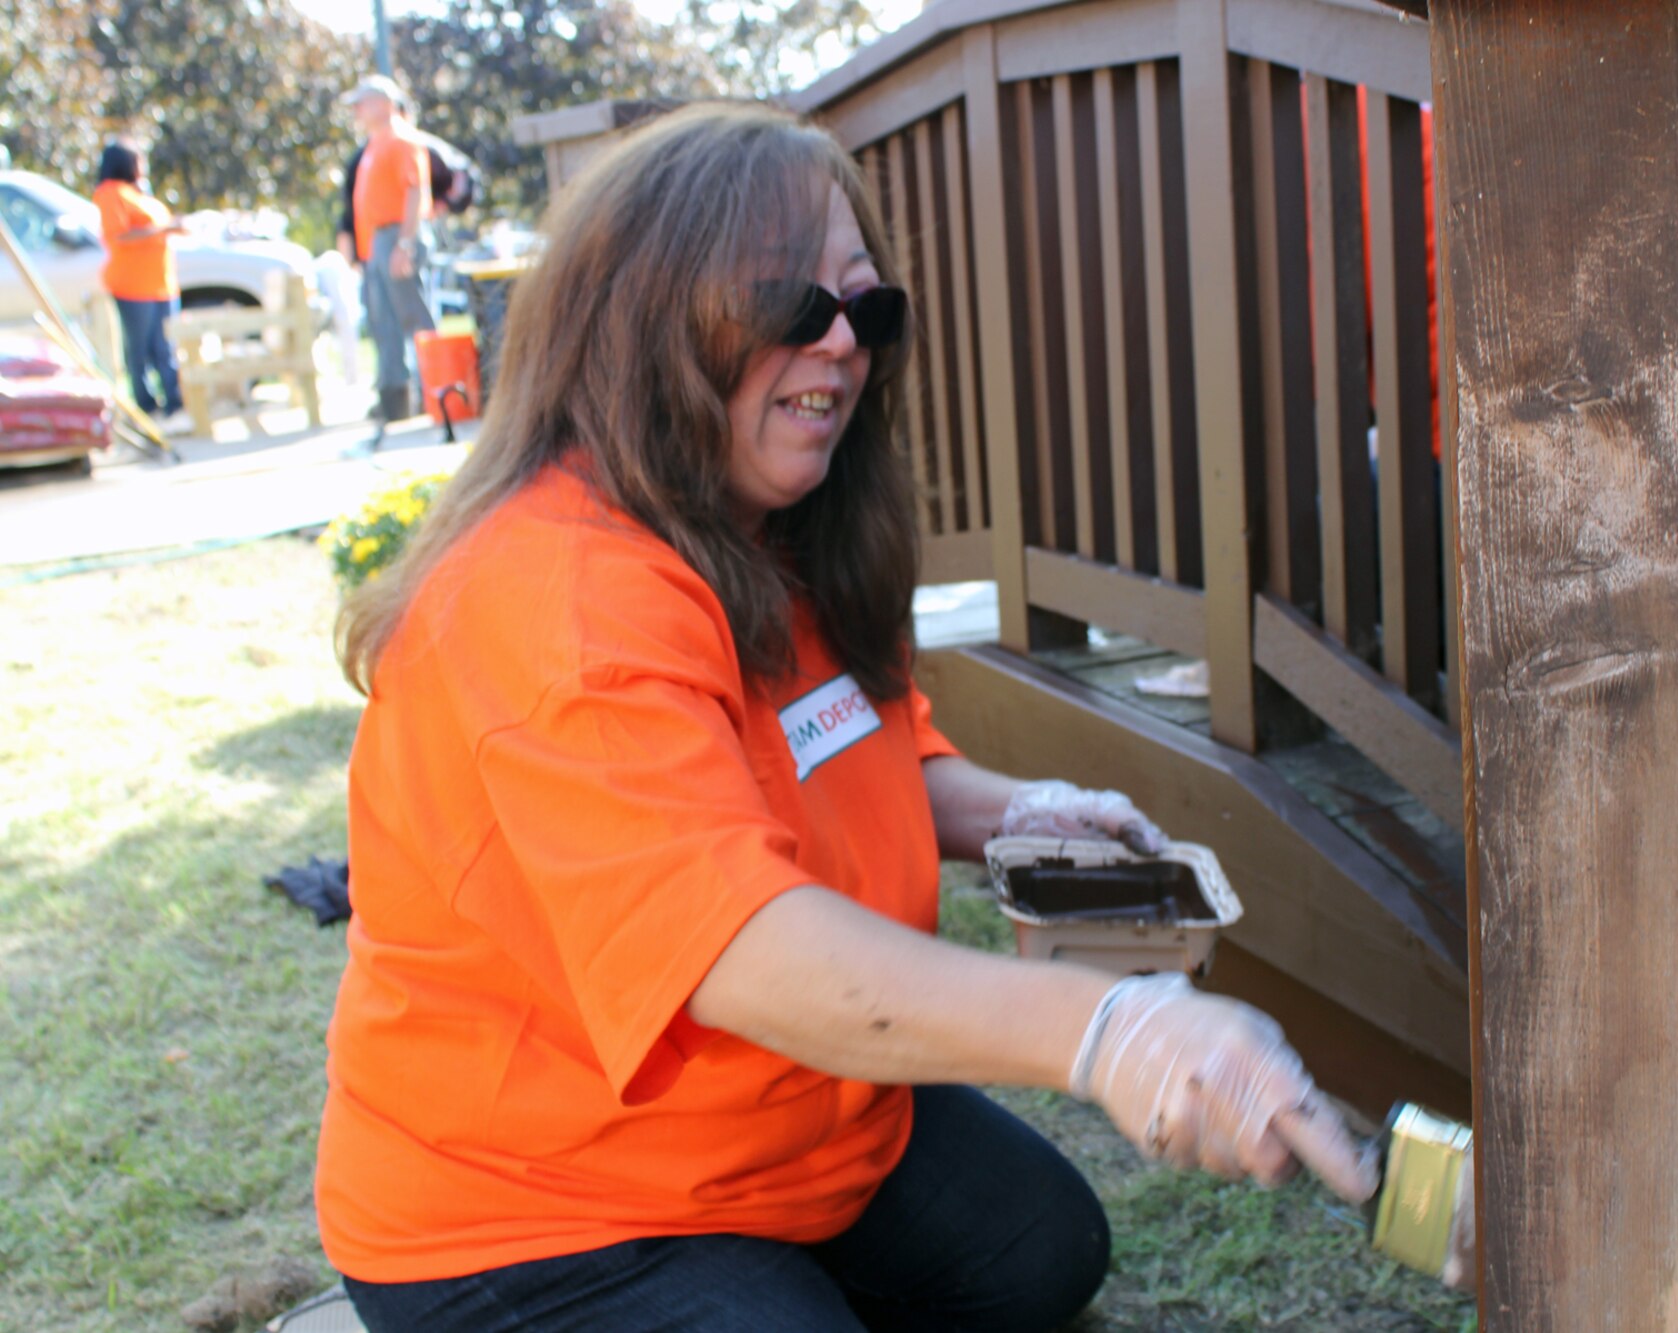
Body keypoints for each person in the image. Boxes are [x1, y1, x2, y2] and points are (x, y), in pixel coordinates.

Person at [316, 102, 1378, 1333]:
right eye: (788, 306)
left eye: (866, 310)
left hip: (786, 1120)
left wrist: (1016, 814)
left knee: (1040, 1250)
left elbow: (854, 744)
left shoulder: (760, 521)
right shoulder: (556, 599)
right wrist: (1108, 1028)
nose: (838, 347)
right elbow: (739, 949)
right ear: (646, 315)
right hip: (538, 1207)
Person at [340, 73, 435, 428]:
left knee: (415, 318)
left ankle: (436, 393)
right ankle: (396, 400)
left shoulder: (401, 140)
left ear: (383, 103)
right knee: (384, 324)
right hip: (378, 242)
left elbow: (414, 192)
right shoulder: (373, 144)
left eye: (361, 103)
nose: (357, 111)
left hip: (398, 235)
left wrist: (405, 244)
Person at [91, 140, 191, 436]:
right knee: (140, 350)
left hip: (161, 284)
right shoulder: (110, 193)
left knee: (166, 348)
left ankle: (175, 406)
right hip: (133, 285)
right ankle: (147, 410)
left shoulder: (140, 193)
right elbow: (119, 235)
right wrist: (163, 229)